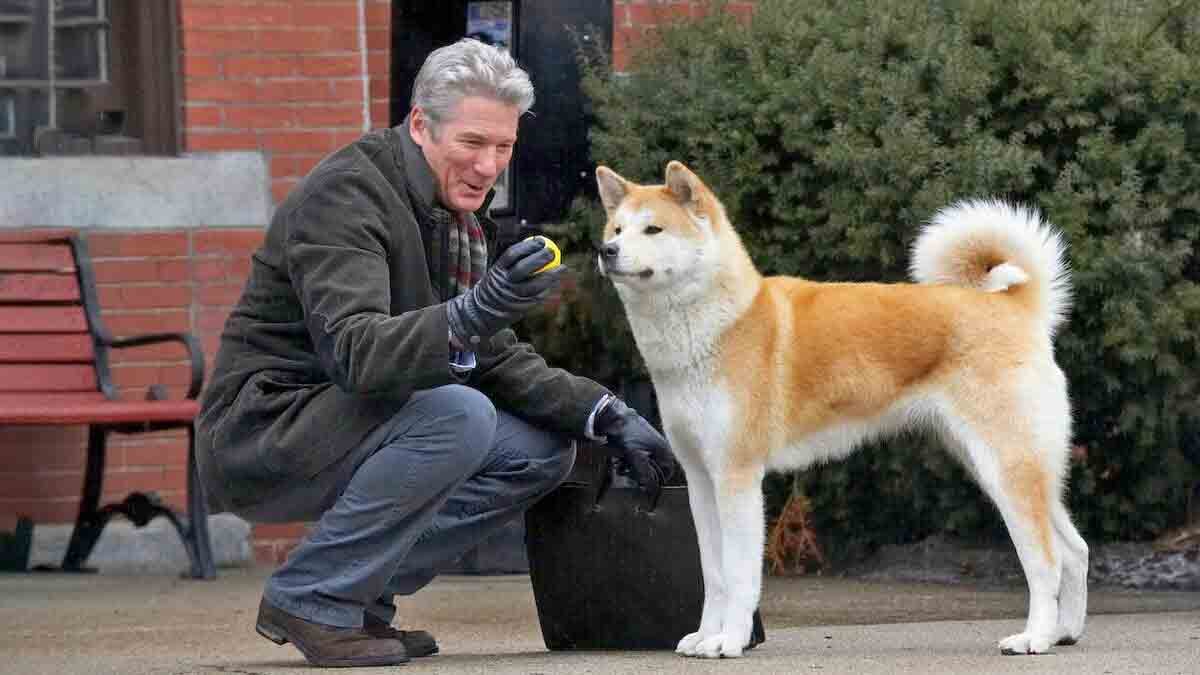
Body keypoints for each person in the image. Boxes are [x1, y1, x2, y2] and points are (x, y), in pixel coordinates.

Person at [195, 38, 675, 668]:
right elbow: (357, 354)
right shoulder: (348, 195)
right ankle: (314, 597)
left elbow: (491, 354)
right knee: (457, 414)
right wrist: (474, 312)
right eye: (472, 143)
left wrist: (606, 413)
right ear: (421, 124)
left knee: (540, 450)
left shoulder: (450, 211)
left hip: (347, 423)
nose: (488, 165)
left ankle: (359, 598)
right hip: (264, 431)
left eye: (503, 146)